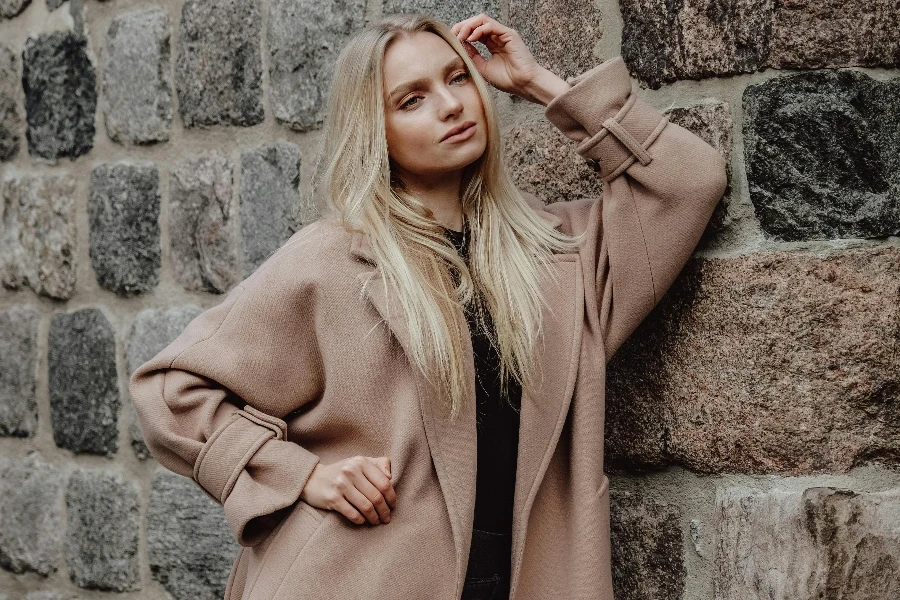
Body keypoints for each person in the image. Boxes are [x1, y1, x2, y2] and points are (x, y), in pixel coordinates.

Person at [129, 12, 727, 600]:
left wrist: (539, 84)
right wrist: (300, 474)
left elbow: (687, 181)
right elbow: (170, 393)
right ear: (376, 129)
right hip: (355, 577)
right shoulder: (332, 260)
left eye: (458, 78)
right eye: (411, 99)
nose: (450, 105)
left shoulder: (561, 256)